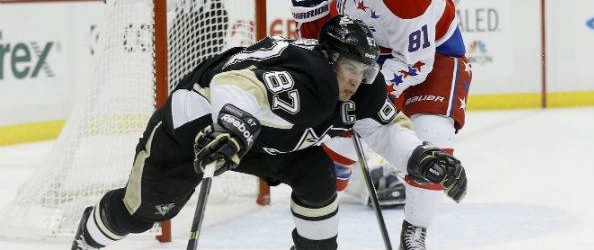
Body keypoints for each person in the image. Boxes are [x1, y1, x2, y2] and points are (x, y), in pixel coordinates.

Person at [70, 16, 467, 250]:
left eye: (364, 69)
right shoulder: (307, 78)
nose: (358, 80)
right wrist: (231, 128)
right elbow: (238, 84)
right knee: (139, 215)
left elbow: (383, 127)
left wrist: (420, 156)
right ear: (329, 60)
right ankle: (87, 237)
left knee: (317, 176)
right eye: (351, 68)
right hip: (199, 125)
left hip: (263, 137)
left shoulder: (356, 85)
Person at [290, 0, 472, 250]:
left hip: (432, 54)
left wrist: (367, 94)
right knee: (335, 149)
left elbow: (414, 66)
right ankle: (313, 236)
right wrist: (313, 4)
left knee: (434, 139)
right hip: (359, 49)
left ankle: (415, 231)